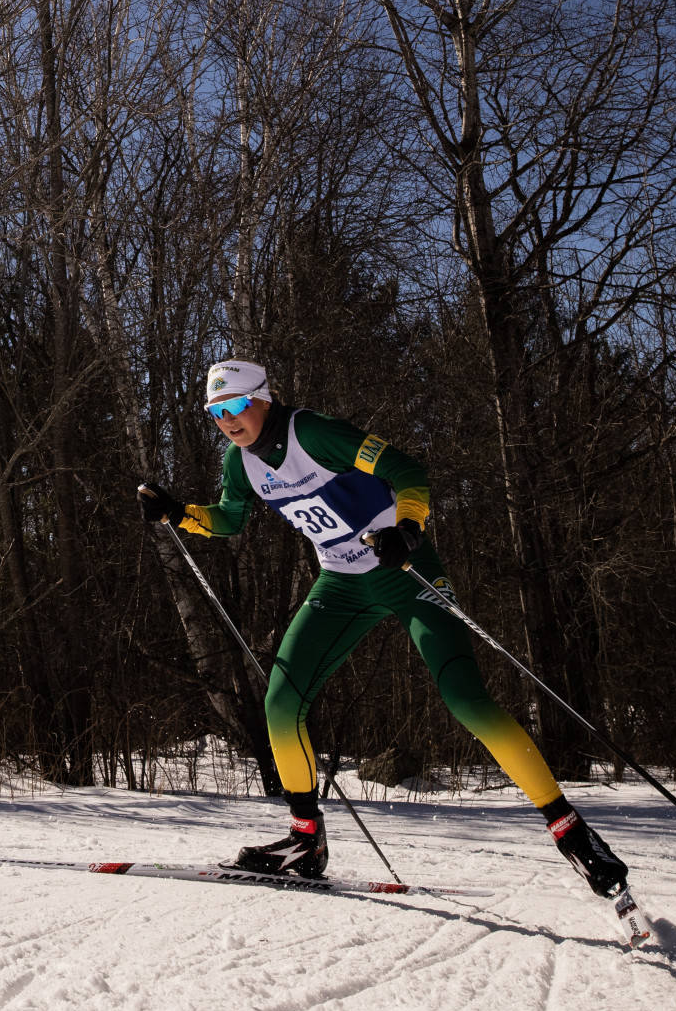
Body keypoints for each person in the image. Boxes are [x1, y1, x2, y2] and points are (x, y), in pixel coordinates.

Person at [137, 358, 628, 899]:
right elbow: (229, 518)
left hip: (403, 571)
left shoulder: (315, 432)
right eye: (215, 412)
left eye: (234, 406)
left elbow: (405, 468)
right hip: (341, 585)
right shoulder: (239, 462)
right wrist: (178, 512)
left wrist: (408, 525)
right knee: (281, 703)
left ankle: (573, 833)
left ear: (264, 398)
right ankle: (305, 839)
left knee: (465, 699)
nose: (227, 420)